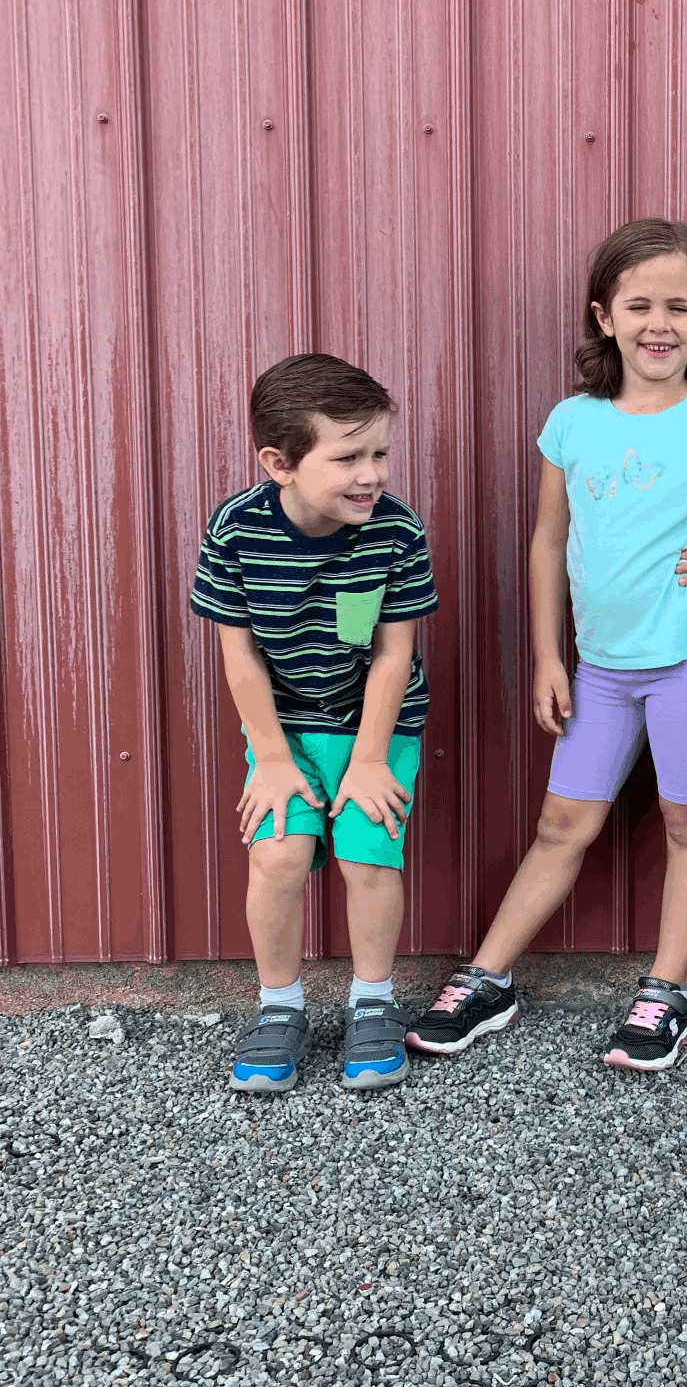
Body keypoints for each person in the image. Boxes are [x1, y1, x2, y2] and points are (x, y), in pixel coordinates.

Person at [407, 218, 687, 1073]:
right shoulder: (573, 421)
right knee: (562, 823)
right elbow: (547, 541)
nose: (658, 324)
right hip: (601, 672)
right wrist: (547, 655)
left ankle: (666, 993)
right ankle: (489, 978)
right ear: (605, 317)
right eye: (639, 306)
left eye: (679, 307)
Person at [191, 353, 439, 1094]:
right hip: (285, 728)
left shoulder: (395, 531)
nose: (371, 475)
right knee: (278, 857)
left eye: (380, 454)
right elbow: (239, 655)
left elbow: (393, 654)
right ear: (281, 464)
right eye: (348, 458)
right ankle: (280, 1007)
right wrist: (271, 759)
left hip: (377, 725)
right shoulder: (236, 530)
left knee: (369, 853)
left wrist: (370, 761)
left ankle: (373, 1001)